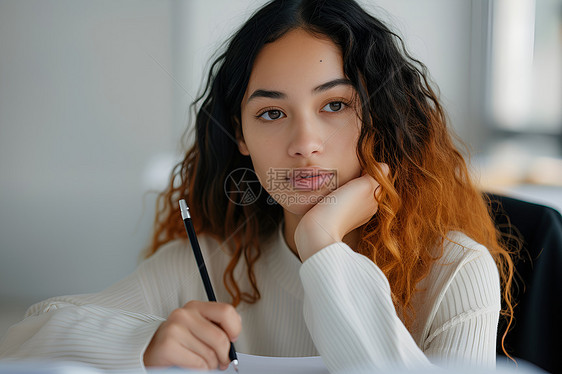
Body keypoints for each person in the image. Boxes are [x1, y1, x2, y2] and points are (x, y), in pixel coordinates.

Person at [0, 0, 515, 372]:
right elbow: (22, 340)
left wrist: (322, 245)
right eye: (271, 113)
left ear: (378, 117)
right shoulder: (211, 261)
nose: (304, 143)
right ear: (241, 135)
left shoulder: (455, 273)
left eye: (334, 105)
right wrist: (144, 341)